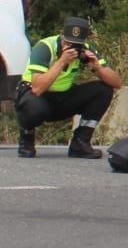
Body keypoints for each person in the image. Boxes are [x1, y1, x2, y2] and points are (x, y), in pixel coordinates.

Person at [17, 16, 122, 158]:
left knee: (103, 90)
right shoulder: (45, 47)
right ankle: (26, 139)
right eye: (68, 42)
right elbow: (37, 88)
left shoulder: (86, 50)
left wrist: (97, 67)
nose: (71, 47)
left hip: (62, 98)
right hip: (37, 96)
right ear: (61, 35)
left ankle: (80, 142)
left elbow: (117, 83)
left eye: (76, 45)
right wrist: (61, 62)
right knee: (32, 106)